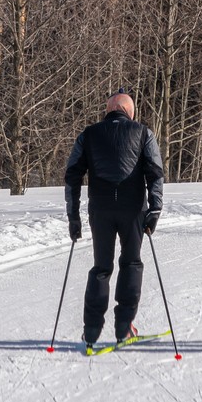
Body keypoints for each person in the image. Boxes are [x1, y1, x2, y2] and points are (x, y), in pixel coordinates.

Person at [65, 91, 165, 349]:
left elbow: (72, 176)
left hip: (101, 210)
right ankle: (124, 327)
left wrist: (73, 217)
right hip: (133, 210)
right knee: (131, 262)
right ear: (128, 111)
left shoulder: (88, 134)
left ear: (108, 110)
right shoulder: (144, 132)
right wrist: (155, 209)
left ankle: (91, 331)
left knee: (101, 267)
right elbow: (155, 173)